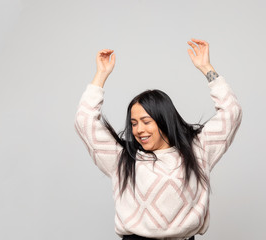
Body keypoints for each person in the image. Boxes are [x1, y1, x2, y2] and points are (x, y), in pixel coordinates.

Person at [74, 38, 242, 240]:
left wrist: (207, 68)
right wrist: (100, 76)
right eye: (134, 123)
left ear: (164, 120)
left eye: (146, 121)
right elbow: (84, 120)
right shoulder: (124, 159)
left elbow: (231, 112)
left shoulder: (197, 151)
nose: (139, 130)